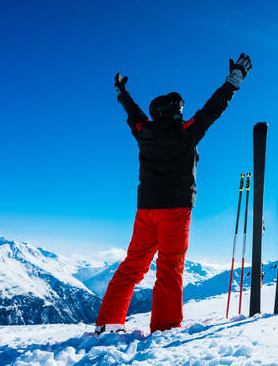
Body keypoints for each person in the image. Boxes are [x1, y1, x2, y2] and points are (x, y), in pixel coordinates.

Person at [94, 53, 252, 334]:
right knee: (169, 267)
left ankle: (108, 323)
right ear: (174, 111)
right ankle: (165, 327)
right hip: (176, 210)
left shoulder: (144, 132)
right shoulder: (185, 132)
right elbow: (212, 110)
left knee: (132, 266)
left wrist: (121, 92)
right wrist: (233, 81)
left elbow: (133, 113)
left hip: (146, 209)